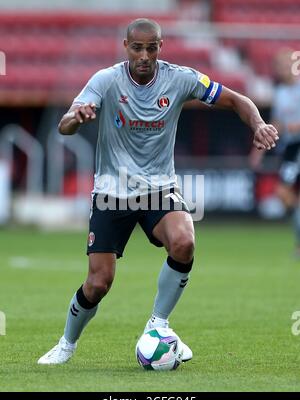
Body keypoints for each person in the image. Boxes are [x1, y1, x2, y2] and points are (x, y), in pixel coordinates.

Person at [38, 18, 279, 365]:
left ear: (160, 48)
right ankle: (66, 344)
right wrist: (79, 116)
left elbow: (236, 99)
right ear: (126, 47)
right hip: (112, 192)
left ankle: (159, 325)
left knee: (184, 241)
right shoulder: (105, 81)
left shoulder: (179, 78)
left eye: (152, 48)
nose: (144, 55)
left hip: (159, 188)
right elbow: (65, 126)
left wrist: (258, 123)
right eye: (137, 47)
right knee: (98, 283)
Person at [250, 48, 300, 256]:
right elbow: (278, 123)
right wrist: (259, 148)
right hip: (290, 148)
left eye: (286, 65)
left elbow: (290, 125)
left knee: (283, 191)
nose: (282, 69)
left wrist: (294, 127)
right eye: (278, 66)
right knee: (286, 195)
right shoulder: (279, 93)